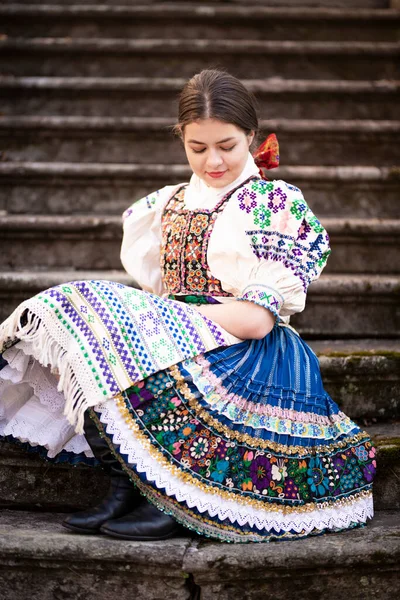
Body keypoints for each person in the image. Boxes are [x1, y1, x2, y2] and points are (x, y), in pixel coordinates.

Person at [0, 69, 376, 543]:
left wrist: (158, 317)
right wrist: (150, 318)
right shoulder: (165, 205)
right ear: (181, 138)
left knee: (96, 307)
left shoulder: (271, 202)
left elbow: (258, 320)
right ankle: (130, 483)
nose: (213, 161)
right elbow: (161, 296)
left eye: (227, 146)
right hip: (185, 332)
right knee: (84, 323)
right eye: (197, 148)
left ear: (252, 138)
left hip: (248, 349)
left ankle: (174, 496)